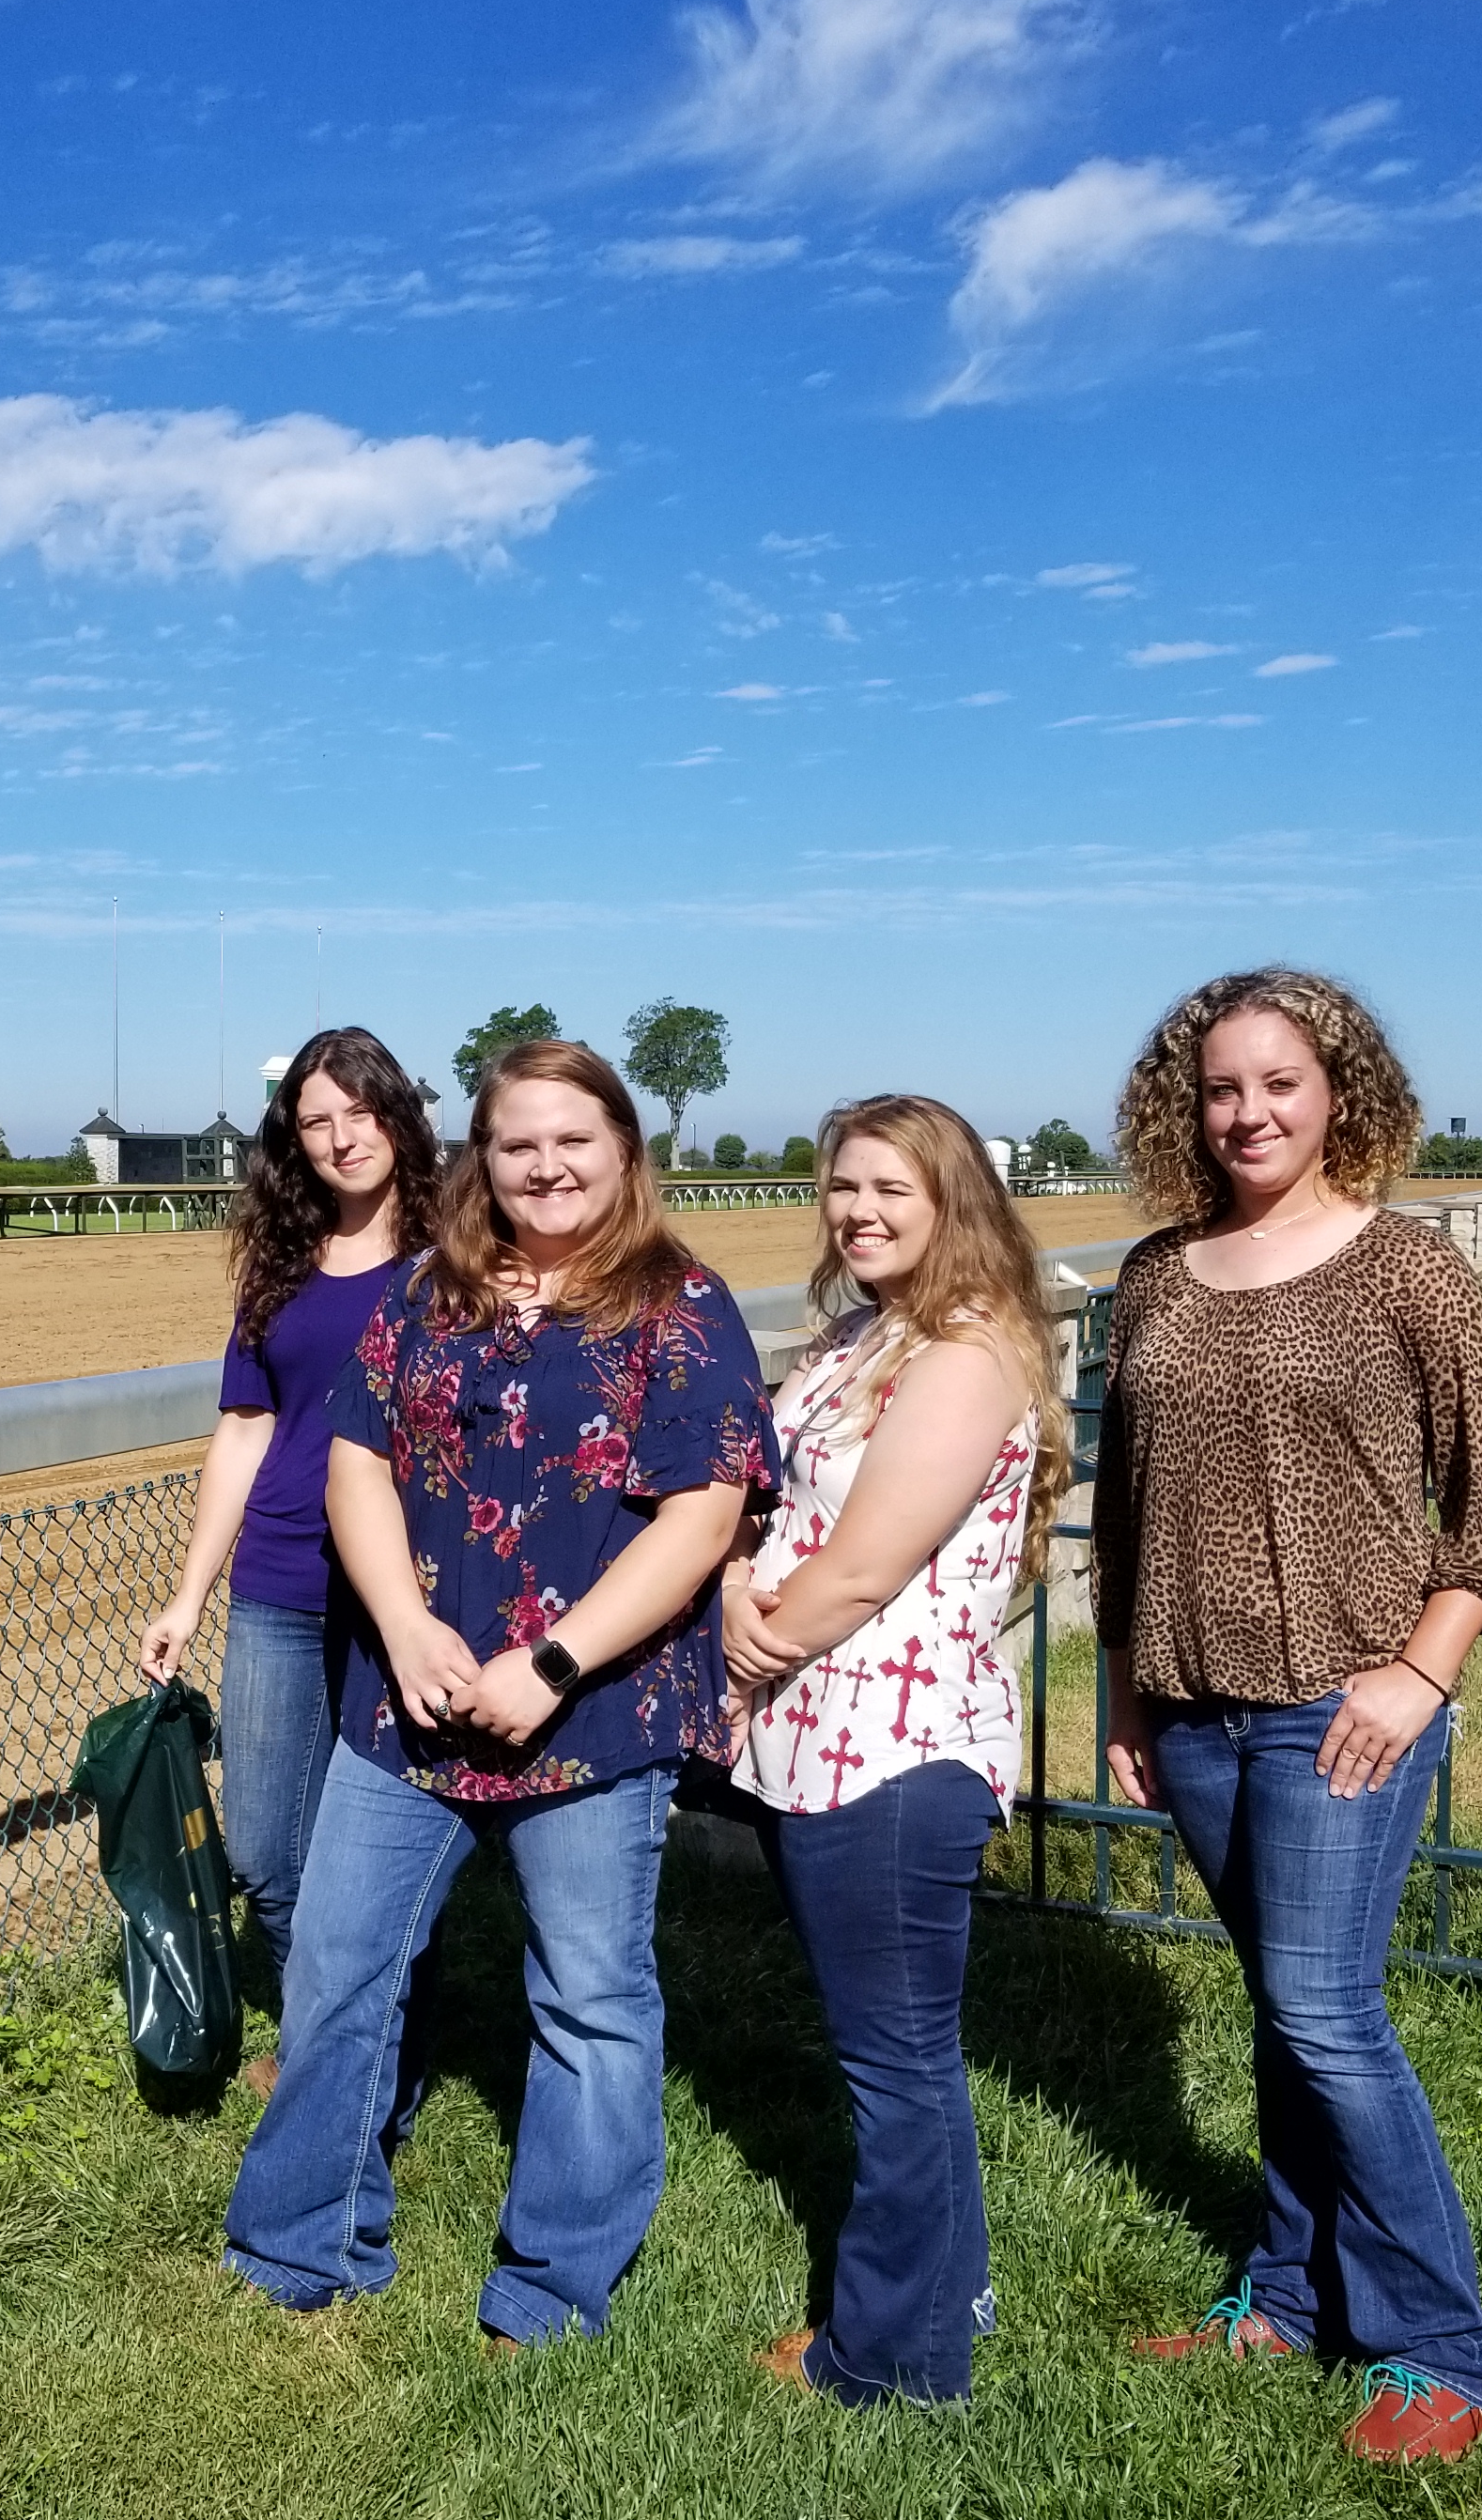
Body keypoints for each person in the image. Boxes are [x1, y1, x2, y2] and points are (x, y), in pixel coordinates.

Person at [222, 1041, 770, 2347]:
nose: (546, 1166)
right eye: (518, 1143)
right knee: (339, 1971)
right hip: (406, 1708)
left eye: (573, 1139)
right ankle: (300, 2240)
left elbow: (702, 1518)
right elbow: (355, 1458)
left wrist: (557, 1662)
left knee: (587, 1998)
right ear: (484, 1156)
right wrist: (404, 1627)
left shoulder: (682, 1305)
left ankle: (552, 2286)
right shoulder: (433, 1289)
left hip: (590, 1718)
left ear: (624, 1147)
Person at [1092, 966, 1482, 2465]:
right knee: (1289, 2012)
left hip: (1343, 1703)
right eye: (1221, 1088)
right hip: (1193, 1706)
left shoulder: (1408, 1270)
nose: (1249, 1113)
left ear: (1338, 1091)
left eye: (1278, 1082)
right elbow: (1126, 1508)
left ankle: (1448, 2354)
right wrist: (1128, 1691)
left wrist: (1424, 1671)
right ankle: (1287, 2298)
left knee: (1325, 2015)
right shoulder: (1155, 1275)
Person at [719, 1094, 1068, 2409]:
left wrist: (738, 1660)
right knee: (903, 2050)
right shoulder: (866, 1332)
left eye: (890, 1191)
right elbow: (776, 1507)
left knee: (894, 2063)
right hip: (822, 1729)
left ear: (951, 1203)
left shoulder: (963, 1354)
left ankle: (893, 2358)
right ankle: (945, 2292)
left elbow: (865, 1567)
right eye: (843, 1187)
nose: (858, 1212)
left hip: (893, 1749)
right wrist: (734, 1584)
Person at [135, 1029, 444, 2025]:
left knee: (396, 1847)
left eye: (360, 1112)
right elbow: (244, 1427)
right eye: (317, 1122)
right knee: (268, 1853)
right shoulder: (279, 1266)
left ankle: (364, 2047)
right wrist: (188, 1597)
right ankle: (335, 2036)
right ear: (292, 1139)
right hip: (281, 1587)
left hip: (412, 1597)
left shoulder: (460, 1261)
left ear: (397, 1116)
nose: (342, 1138)